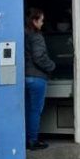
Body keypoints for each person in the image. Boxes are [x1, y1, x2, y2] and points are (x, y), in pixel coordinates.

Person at [24, 8, 55, 151]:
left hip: (25, 77)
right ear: (35, 21)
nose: (42, 24)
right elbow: (39, 57)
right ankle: (33, 140)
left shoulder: (24, 33)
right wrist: (52, 66)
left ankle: (27, 138)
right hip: (37, 78)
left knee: (28, 110)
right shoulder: (36, 36)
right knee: (35, 110)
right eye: (41, 20)